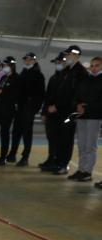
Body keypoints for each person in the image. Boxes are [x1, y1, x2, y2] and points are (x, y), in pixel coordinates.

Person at [47, 45, 88, 175]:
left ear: (76, 55)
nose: (66, 57)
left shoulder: (81, 72)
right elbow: (59, 91)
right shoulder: (66, 71)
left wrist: (58, 106)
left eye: (68, 54)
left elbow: (75, 94)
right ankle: (58, 162)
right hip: (60, 111)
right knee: (59, 136)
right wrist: (54, 105)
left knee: (66, 137)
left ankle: (63, 164)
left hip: (71, 112)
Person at [7, 52, 45, 166]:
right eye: (25, 59)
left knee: (26, 132)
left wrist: (34, 108)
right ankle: (12, 153)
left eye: (29, 59)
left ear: (34, 61)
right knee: (16, 131)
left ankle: (25, 157)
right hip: (20, 106)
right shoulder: (23, 73)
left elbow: (41, 94)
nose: (27, 61)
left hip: (29, 106)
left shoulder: (38, 75)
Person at [69, 56, 102, 182]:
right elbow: (76, 95)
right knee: (81, 145)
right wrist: (77, 105)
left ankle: (87, 172)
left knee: (90, 146)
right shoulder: (85, 79)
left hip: (94, 117)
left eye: (97, 65)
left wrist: (86, 107)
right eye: (92, 65)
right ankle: (81, 169)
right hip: (82, 116)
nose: (94, 68)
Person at [40, 53, 66, 169]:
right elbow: (47, 96)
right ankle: (51, 159)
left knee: (59, 139)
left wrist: (57, 107)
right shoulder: (53, 78)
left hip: (60, 114)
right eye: (57, 62)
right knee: (51, 137)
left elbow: (66, 96)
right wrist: (44, 112)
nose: (58, 64)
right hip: (50, 113)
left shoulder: (66, 78)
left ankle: (58, 161)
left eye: (60, 62)